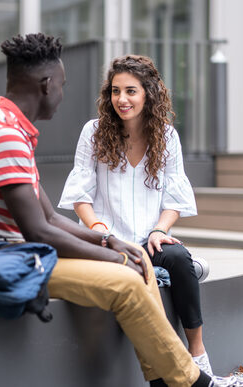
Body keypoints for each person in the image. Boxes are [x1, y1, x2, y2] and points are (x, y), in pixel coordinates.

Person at [0, 33, 243, 387]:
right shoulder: (4, 135)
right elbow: (39, 231)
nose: (63, 95)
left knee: (136, 265)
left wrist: (115, 245)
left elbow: (47, 217)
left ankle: (166, 382)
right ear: (46, 85)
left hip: (13, 254)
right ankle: (197, 384)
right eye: (62, 85)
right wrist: (111, 249)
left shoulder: (12, 130)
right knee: (127, 279)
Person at [58, 54, 213, 375]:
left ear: (148, 93)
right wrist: (100, 231)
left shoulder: (166, 136)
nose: (122, 99)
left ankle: (197, 355)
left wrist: (160, 229)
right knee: (137, 272)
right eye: (115, 91)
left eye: (131, 91)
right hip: (106, 240)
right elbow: (79, 194)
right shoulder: (94, 132)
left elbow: (175, 195)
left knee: (179, 260)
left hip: (147, 238)